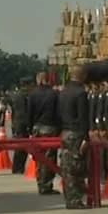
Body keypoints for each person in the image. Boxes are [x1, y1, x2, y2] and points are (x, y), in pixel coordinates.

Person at [57, 64, 91, 209]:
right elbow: (83, 117)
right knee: (76, 167)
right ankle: (75, 199)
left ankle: (69, 197)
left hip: (65, 131)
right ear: (83, 76)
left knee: (66, 167)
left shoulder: (63, 92)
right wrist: (86, 138)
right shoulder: (80, 93)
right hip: (76, 133)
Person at [28, 68, 62, 196]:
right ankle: (47, 184)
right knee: (49, 158)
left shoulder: (32, 94)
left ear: (38, 80)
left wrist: (30, 129)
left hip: (37, 127)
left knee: (38, 157)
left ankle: (40, 182)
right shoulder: (54, 94)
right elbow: (58, 113)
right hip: (50, 127)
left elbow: (29, 113)